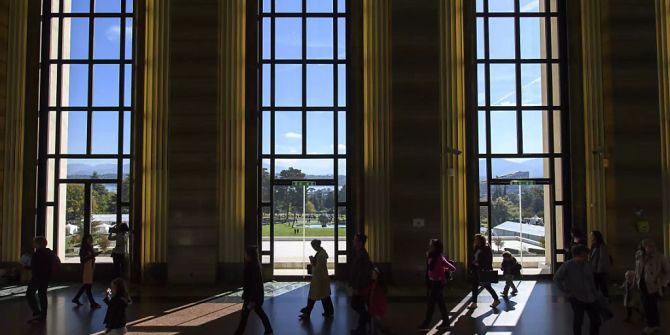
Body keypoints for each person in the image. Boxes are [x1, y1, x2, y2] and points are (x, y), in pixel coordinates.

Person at [554, 244, 601, 335]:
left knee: (595, 320)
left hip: (590, 296)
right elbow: (557, 278)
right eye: (585, 254)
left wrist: (596, 294)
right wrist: (566, 291)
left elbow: (591, 281)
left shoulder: (587, 265)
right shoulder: (568, 265)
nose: (587, 256)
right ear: (579, 254)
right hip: (576, 296)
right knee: (578, 320)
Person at [234, 247, 273, 335]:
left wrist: (250, 300)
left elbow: (251, 284)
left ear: (249, 255)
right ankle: (269, 330)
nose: (244, 256)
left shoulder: (250, 266)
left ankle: (238, 333)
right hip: (256, 296)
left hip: (252, 297)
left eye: (246, 254)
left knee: (244, 315)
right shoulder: (255, 265)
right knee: (259, 312)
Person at [419, 239, 456, 330]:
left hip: (438, 283)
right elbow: (429, 269)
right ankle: (446, 322)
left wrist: (443, 270)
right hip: (433, 282)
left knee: (431, 304)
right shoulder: (430, 256)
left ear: (436, 247)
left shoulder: (439, 258)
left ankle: (426, 324)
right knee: (441, 303)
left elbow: (452, 268)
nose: (430, 247)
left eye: (431, 245)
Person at [635, 239, 670, 334]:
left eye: (652, 245)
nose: (651, 247)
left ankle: (652, 325)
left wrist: (663, 284)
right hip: (642, 284)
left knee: (651, 305)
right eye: (648, 245)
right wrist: (636, 280)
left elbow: (668, 272)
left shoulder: (660, 257)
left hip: (653, 286)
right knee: (646, 305)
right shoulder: (639, 256)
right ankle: (653, 324)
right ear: (643, 247)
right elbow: (638, 270)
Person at [299, 239, 334, 320]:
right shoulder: (321, 253)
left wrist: (312, 262)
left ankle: (307, 312)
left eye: (313, 246)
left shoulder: (321, 255)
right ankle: (329, 311)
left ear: (316, 246)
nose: (313, 248)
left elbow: (318, 268)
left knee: (313, 296)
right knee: (324, 296)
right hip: (322, 278)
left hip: (319, 278)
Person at [26, 236, 57, 323]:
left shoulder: (37, 254)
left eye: (34, 242)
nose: (33, 244)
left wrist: (26, 266)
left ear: (38, 244)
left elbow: (34, 267)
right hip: (46, 277)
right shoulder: (49, 252)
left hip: (37, 277)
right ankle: (43, 315)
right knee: (42, 295)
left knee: (29, 294)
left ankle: (37, 312)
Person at [350, 233, 372, 335]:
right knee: (359, 306)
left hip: (361, 287)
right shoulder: (361, 253)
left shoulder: (362, 255)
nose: (353, 242)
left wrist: (357, 287)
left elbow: (362, 273)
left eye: (355, 240)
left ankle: (366, 320)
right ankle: (361, 328)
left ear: (360, 242)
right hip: (360, 285)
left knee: (356, 304)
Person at [469, 234, 500, 309]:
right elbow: (474, 258)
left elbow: (487, 260)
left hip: (483, 269)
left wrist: (479, 264)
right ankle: (474, 302)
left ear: (480, 240)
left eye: (476, 239)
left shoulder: (486, 248)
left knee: (487, 286)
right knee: (475, 286)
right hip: (476, 269)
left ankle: (496, 299)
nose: (475, 240)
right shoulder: (476, 248)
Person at [72, 234, 101, 308]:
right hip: (86, 268)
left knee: (87, 285)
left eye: (91, 238)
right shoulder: (84, 248)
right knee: (87, 285)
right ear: (85, 240)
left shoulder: (89, 247)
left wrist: (93, 255)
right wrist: (93, 255)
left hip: (89, 267)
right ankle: (92, 303)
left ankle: (76, 298)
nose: (90, 240)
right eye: (89, 239)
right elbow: (83, 259)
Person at [589, 230, 610, 298]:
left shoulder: (601, 246)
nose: (590, 237)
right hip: (594, 269)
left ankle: (605, 300)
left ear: (596, 236)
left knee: (602, 286)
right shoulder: (593, 245)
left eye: (592, 235)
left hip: (599, 270)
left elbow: (602, 259)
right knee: (595, 286)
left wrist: (599, 270)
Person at [369, 267, 388, 334]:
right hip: (375, 308)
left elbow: (379, 300)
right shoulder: (375, 284)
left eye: (374, 273)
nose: (372, 274)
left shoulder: (378, 286)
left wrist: (377, 310)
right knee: (375, 324)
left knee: (377, 323)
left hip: (377, 309)